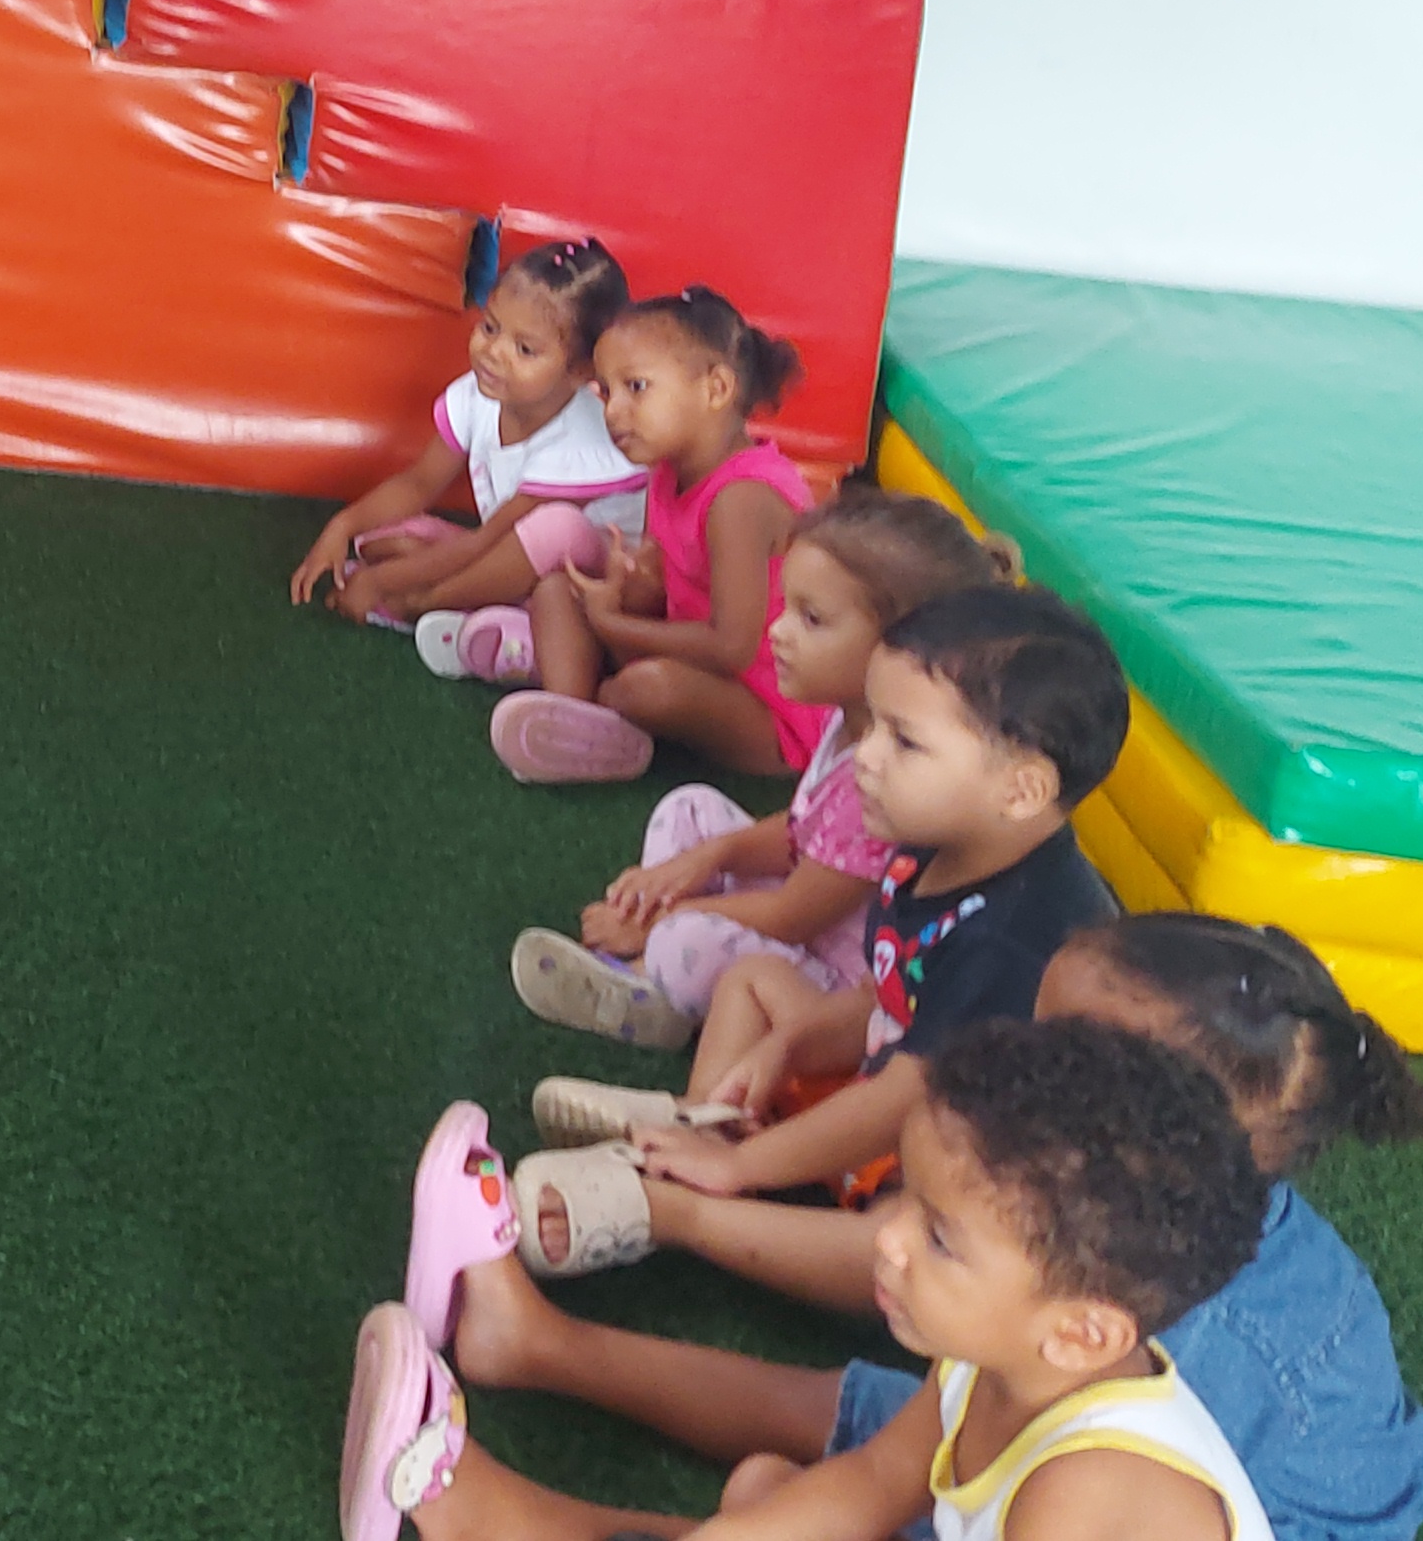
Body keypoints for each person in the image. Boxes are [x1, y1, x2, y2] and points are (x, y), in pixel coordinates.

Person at [429, 915, 1423, 1541]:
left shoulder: (1106, 1468)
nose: (1029, 1059)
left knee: (795, 1477)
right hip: (1044, 1435)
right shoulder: (1050, 1313)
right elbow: (872, 1481)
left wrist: (689, 1212)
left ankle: (528, 1514)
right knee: (798, 1480)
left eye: (1072, 1055)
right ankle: (532, 1364)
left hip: (1249, 1504)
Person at [347, 1019, 1277, 1541]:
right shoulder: (997, 1359)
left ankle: (499, 1524)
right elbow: (873, 1481)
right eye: (906, 1199)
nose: (888, 1240)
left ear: (1080, 1333)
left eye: (940, 1239)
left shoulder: (1094, 1498)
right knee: (764, 1497)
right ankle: (512, 1517)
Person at [512, 587, 1129, 1306]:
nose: (865, 758)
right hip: (894, 1088)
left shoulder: (1019, 939)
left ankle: (689, 1210)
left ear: (1021, 790)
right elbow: (887, 996)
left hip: (969, 1160)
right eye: (873, 727)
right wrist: (791, 1045)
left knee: (903, 1247)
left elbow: (906, 1099)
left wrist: (748, 1167)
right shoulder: (932, 843)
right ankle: (700, 1125)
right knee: (753, 981)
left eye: (904, 741)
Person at [515, 491, 1018, 1047]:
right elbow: (800, 830)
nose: (777, 630)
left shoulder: (884, 780)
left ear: (900, 649)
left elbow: (792, 915)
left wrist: (663, 917)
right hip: (802, 915)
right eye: (787, 607)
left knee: (685, 941)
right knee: (689, 808)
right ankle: (652, 964)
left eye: (811, 619)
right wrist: (705, 858)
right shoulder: (847, 719)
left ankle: (646, 980)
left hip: (830, 979)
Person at [493, 290, 817, 786]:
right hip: (695, 658)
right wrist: (629, 584)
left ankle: (591, 698)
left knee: (650, 689)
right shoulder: (667, 469)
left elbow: (731, 647)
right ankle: (574, 713)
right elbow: (665, 583)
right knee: (556, 590)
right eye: (606, 392)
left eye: (636, 387)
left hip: (770, 709)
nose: (613, 412)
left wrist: (612, 624)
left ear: (715, 389)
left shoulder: (741, 499)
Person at [293, 237, 644, 671]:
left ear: (579, 371)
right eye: (491, 327)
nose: (494, 352)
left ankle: (425, 606)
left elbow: (485, 541)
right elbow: (419, 484)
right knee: (390, 534)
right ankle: (491, 613)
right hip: (510, 554)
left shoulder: (581, 442)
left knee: (554, 529)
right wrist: (342, 526)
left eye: (525, 349)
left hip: (592, 591)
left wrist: (382, 585)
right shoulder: (480, 396)